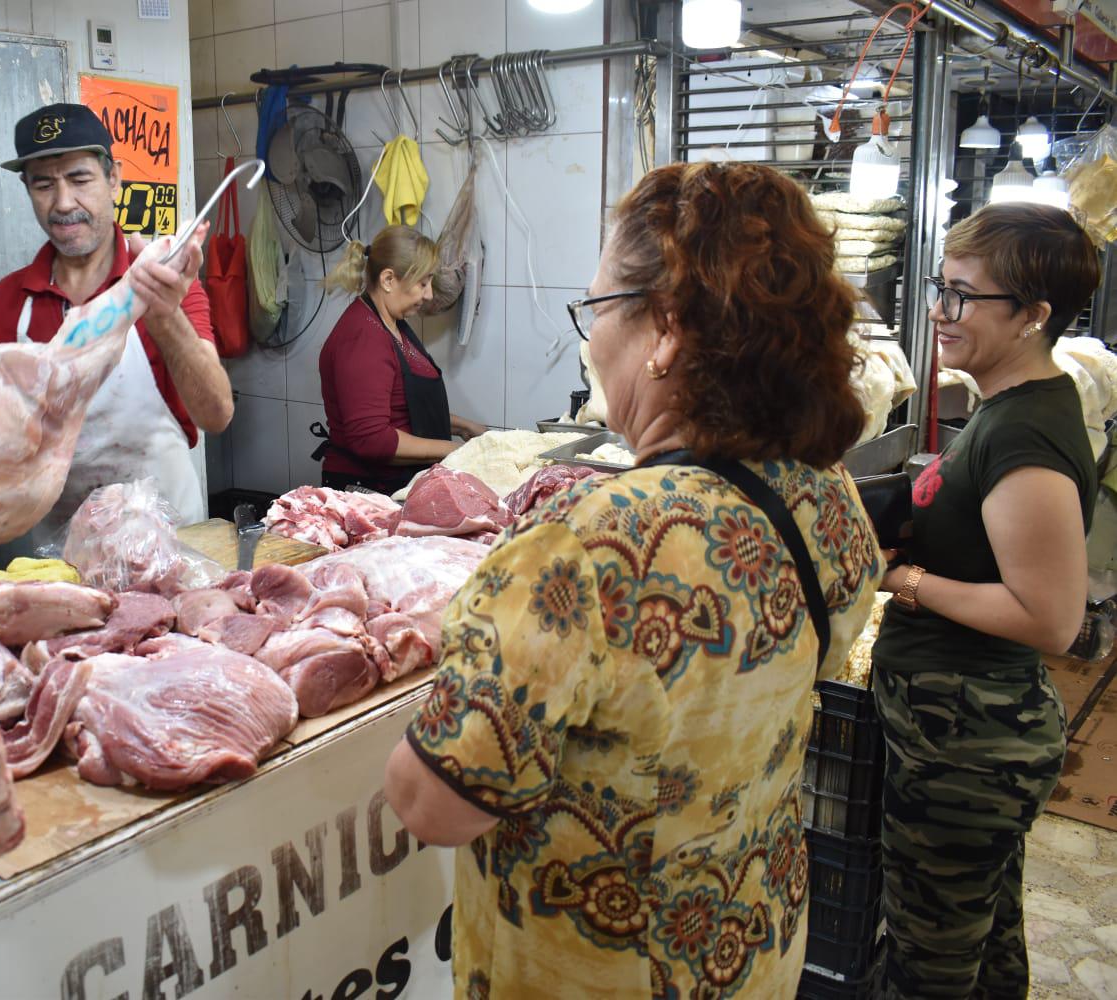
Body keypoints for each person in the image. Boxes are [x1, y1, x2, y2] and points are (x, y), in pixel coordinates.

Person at [382, 162, 884, 997]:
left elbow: (432, 804)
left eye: (599, 308)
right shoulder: (823, 491)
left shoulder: (586, 554)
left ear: (666, 334)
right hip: (747, 945)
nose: (591, 339)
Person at [871, 204, 1099, 999]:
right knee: (984, 941)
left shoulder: (1025, 433)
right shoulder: (1003, 406)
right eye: (942, 287)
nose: (941, 310)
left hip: (972, 745)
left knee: (928, 962)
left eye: (965, 295)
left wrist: (908, 583)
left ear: (1034, 316)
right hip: (960, 733)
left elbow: (1050, 618)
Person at [0, 103, 232, 529]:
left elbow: (217, 414)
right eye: (43, 185)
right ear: (27, 190)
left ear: (113, 179)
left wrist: (163, 315)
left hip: (170, 546)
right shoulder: (6, 303)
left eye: (79, 180)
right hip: (61, 556)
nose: (63, 203)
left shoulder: (165, 279)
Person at [315, 226, 487, 494]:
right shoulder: (364, 337)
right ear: (388, 280)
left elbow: (403, 408)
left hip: (398, 483)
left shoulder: (392, 323)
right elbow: (371, 438)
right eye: (423, 283)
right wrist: (455, 451)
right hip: (369, 491)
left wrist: (463, 426)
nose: (429, 294)